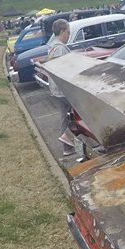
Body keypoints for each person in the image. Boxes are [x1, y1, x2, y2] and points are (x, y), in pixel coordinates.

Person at [44, 19, 76, 156]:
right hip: (63, 90)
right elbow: (64, 70)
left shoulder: (52, 46)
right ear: (62, 31)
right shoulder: (60, 48)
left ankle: (67, 148)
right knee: (83, 113)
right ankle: (68, 138)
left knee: (64, 117)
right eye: (68, 32)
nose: (69, 35)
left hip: (57, 89)